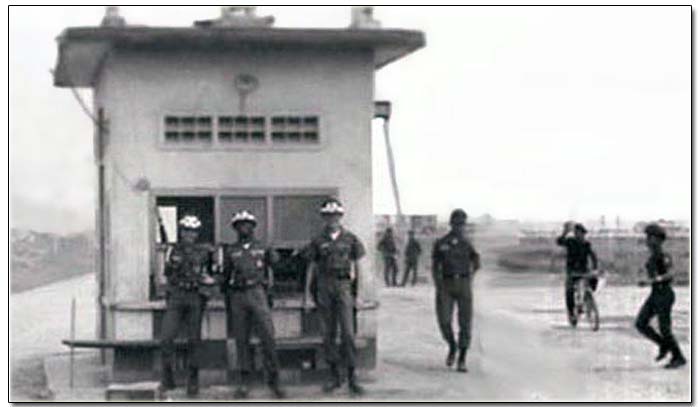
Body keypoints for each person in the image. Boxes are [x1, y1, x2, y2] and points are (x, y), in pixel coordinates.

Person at [221, 210, 286, 399]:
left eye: (247, 224)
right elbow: (225, 278)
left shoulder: (263, 247)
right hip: (238, 296)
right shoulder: (231, 250)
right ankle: (244, 381)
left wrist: (271, 293)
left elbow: (277, 268)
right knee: (241, 339)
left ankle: (274, 380)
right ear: (235, 228)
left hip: (258, 293)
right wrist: (228, 301)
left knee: (268, 337)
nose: (244, 227)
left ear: (253, 227)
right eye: (240, 224)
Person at [304, 198, 366, 396]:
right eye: (328, 216)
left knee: (348, 333)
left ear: (341, 217)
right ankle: (334, 376)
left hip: (344, 286)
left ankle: (352, 376)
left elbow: (358, 268)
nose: (333, 219)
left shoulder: (351, 239)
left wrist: (359, 294)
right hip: (324, 286)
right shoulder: (317, 240)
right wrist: (307, 295)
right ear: (324, 218)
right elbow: (311, 268)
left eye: (336, 216)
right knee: (327, 334)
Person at [159, 215, 216, 396]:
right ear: (181, 232)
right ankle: (168, 377)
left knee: (194, 341)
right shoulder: (172, 250)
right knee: (166, 338)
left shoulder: (205, 252)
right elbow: (166, 274)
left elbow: (215, 275)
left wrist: (208, 284)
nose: (188, 235)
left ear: (196, 233)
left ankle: (193, 380)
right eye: (185, 231)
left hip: (195, 297)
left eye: (192, 231)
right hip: (176, 296)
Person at [432, 209, 480, 373]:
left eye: (462, 224)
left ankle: (462, 358)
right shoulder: (441, 243)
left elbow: (476, 262)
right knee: (444, 320)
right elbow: (435, 266)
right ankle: (452, 346)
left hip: (464, 284)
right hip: (446, 283)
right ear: (451, 224)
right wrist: (438, 284)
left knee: (465, 322)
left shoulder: (467, 244)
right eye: (457, 224)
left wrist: (470, 278)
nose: (459, 227)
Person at [635, 223, 686, 369]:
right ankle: (664, 345)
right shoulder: (653, 256)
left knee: (665, 329)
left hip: (664, 294)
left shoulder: (664, 256)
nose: (647, 240)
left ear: (657, 239)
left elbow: (670, 274)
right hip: (655, 294)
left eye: (650, 237)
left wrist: (652, 280)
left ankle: (679, 357)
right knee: (641, 323)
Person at [556, 222, 598, 326]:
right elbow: (559, 241)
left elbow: (593, 256)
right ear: (575, 234)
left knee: (593, 281)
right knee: (569, 291)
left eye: (582, 233)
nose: (580, 235)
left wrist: (595, 268)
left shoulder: (586, 244)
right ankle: (572, 314)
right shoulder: (571, 242)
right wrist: (565, 232)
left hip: (584, 270)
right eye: (578, 233)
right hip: (572, 271)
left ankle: (587, 299)